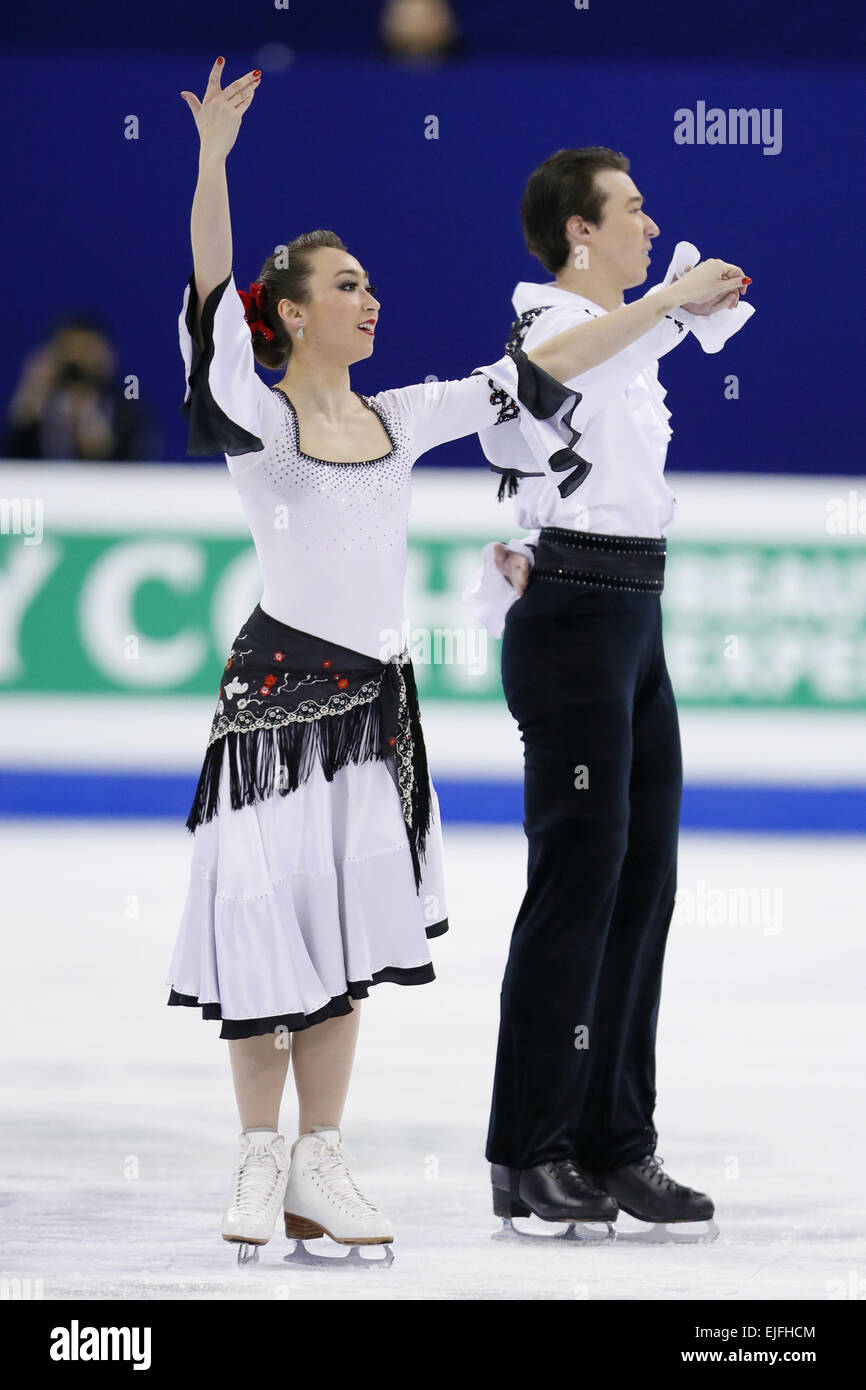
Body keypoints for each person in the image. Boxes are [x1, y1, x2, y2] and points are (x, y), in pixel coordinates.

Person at [164, 68, 737, 1259]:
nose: (368, 298)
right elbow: (215, 292)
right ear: (293, 313)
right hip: (277, 701)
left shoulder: (397, 416)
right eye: (344, 286)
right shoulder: (260, 423)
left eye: (370, 282)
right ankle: (259, 1159)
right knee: (273, 929)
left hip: (374, 704)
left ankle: (321, 1165)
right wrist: (214, 162)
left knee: (349, 936)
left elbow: (529, 384)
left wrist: (669, 310)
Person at [462, 146, 754, 1237]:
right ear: (578, 232)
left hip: (634, 616)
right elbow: (560, 372)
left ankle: (613, 1142)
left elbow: (617, 369)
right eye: (629, 209)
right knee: (576, 886)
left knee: (643, 885)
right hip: (571, 619)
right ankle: (528, 1151)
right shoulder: (539, 324)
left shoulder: (624, 335)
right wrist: (674, 300)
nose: (647, 223)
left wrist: (682, 311)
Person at [3, 315, 161, 461]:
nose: (77, 360)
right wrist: (28, 409)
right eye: (69, 349)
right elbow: (13, 460)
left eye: (86, 351)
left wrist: (92, 428)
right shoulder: (35, 408)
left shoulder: (127, 413)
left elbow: (136, 467)